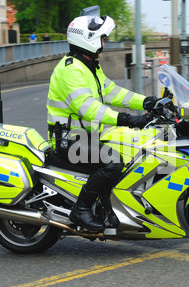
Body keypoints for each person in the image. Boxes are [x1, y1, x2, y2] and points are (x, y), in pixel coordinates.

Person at [46, 11, 157, 231]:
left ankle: (113, 207)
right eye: (103, 38)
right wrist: (126, 119)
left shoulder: (89, 66)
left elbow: (113, 92)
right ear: (88, 38)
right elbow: (88, 108)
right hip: (69, 141)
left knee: (134, 151)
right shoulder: (70, 70)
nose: (105, 42)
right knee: (113, 162)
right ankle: (82, 209)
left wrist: (147, 102)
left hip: (88, 137)